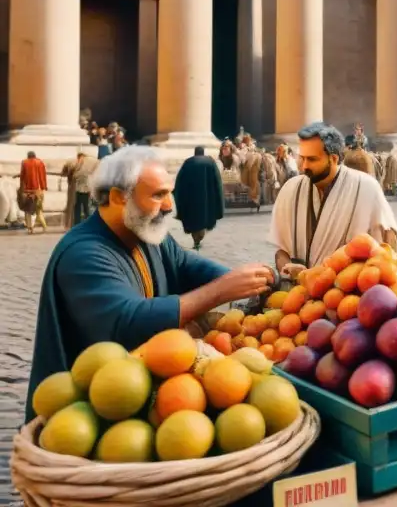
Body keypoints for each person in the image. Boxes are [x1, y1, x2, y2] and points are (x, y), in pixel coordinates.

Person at [27, 146, 275, 419]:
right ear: (118, 197)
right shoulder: (82, 254)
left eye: (169, 193)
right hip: (97, 409)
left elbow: (184, 264)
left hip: (143, 395)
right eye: (158, 195)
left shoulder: (141, 229)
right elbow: (127, 320)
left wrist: (243, 279)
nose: (169, 206)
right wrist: (222, 290)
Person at [269, 121, 397, 277]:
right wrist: (289, 269)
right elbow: (281, 251)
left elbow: (388, 250)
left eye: (312, 159)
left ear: (334, 158)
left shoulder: (367, 188)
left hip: (348, 294)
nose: (304, 167)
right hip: (299, 293)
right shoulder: (290, 189)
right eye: (301, 158)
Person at [173, 146, 225, 250]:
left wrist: (177, 196)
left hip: (191, 199)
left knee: (194, 222)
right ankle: (198, 240)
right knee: (203, 221)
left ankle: (196, 240)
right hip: (207, 200)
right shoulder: (210, 163)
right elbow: (217, 183)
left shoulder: (188, 162)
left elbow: (179, 182)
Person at [19, 151, 48, 234]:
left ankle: (30, 228)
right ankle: (44, 226)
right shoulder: (40, 162)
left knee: (28, 210)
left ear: (28, 156)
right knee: (38, 209)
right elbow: (43, 175)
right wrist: (44, 186)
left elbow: (22, 176)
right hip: (38, 190)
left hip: (27, 190)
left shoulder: (24, 162)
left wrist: (21, 189)